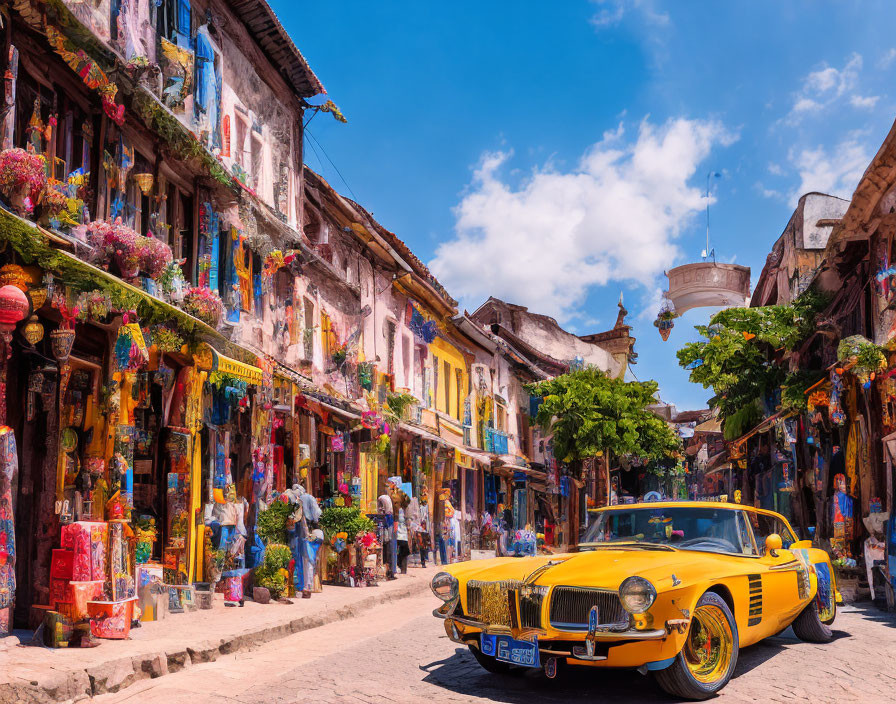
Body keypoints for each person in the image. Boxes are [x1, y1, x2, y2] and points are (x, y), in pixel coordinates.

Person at [396, 506, 410, 574]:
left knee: (404, 552)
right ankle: (402, 568)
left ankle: (403, 569)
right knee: (402, 552)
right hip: (398, 534)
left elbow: (408, 521)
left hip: (403, 534)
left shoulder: (405, 509)